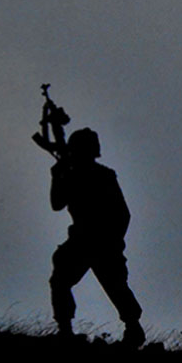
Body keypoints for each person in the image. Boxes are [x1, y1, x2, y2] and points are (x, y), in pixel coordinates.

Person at [47, 127, 145, 347]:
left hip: (101, 242)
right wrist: (57, 176)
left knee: (116, 286)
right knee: (61, 281)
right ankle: (65, 330)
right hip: (83, 241)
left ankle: (133, 329)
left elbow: (122, 213)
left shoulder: (103, 176)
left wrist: (114, 241)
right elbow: (57, 203)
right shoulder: (72, 174)